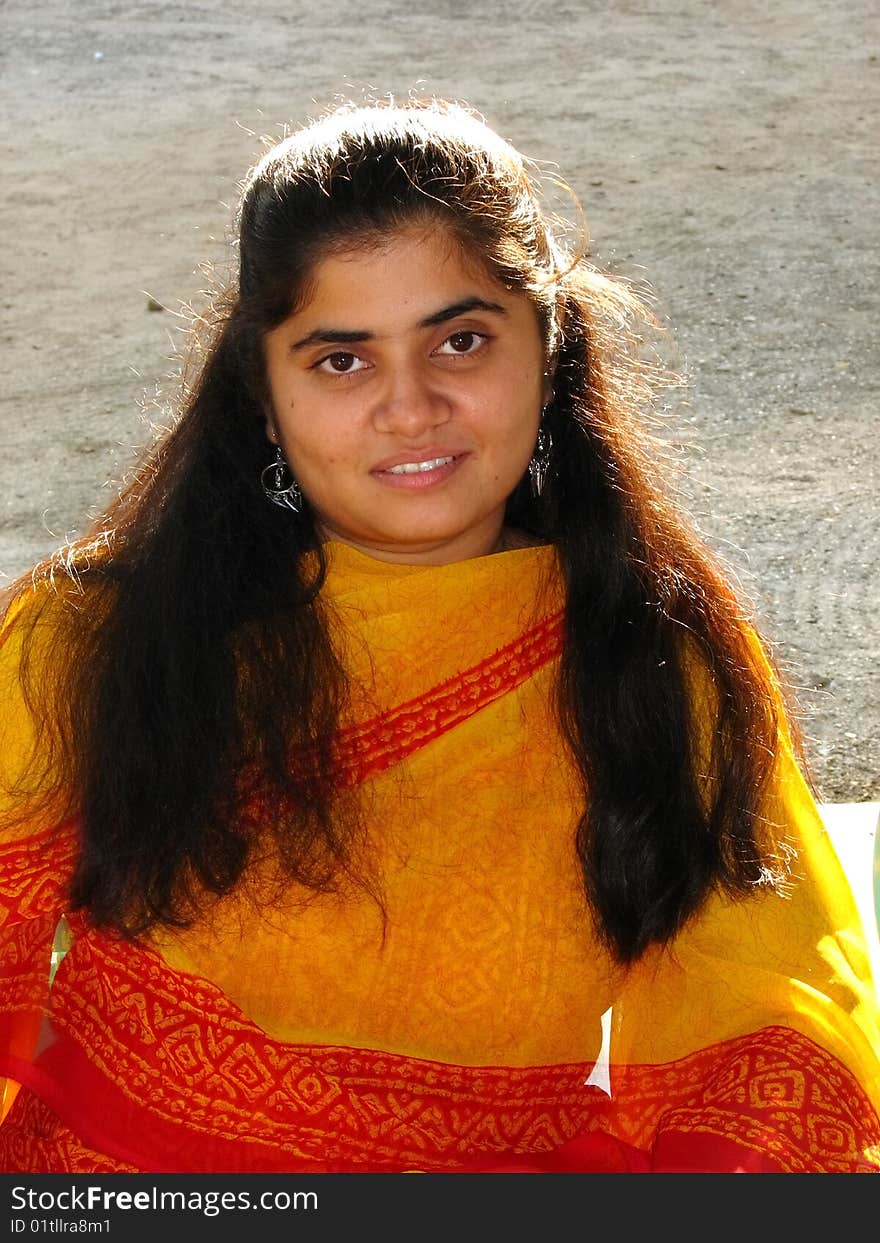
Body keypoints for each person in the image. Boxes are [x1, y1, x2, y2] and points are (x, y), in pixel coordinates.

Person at [1, 96, 878, 1175]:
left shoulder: (655, 661)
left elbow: (763, 1026)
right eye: (339, 359)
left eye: (459, 340)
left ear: (548, 351)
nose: (410, 407)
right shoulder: (93, 642)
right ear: (264, 398)